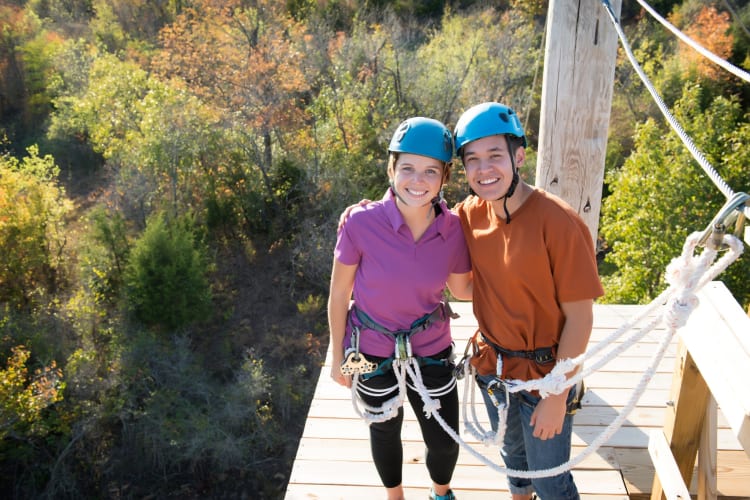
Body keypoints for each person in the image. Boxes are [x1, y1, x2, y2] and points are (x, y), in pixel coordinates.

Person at [452, 102, 604, 500]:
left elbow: (580, 319)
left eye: (495, 156)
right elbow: (462, 288)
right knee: (514, 465)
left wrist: (556, 397)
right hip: (493, 368)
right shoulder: (468, 215)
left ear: (518, 157)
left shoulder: (558, 222)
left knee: (550, 480)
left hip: (546, 375)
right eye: (473, 160)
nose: (484, 170)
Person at [328, 116, 473, 500]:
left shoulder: (453, 228)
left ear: (444, 178)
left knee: (444, 440)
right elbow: (339, 295)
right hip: (368, 347)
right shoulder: (360, 223)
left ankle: (440, 493)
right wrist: (336, 355)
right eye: (407, 168)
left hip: (430, 346)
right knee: (384, 428)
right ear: (391, 169)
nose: (417, 180)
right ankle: (396, 498)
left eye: (430, 171)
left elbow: (463, 290)